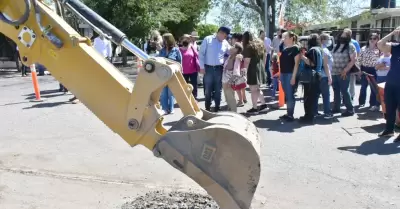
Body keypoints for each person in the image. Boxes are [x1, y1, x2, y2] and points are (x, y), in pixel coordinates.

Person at [199, 26, 231, 112]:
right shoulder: (208, 39)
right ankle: (207, 107)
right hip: (208, 68)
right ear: (220, 33)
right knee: (208, 89)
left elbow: (231, 52)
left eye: (226, 37)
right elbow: (201, 54)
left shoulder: (225, 43)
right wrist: (202, 67)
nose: (225, 38)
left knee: (218, 89)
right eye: (224, 36)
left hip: (219, 69)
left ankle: (217, 106)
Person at [377, 27, 400, 142]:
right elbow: (380, 44)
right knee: (389, 107)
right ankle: (389, 130)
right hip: (391, 83)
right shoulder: (395, 47)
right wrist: (392, 33)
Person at [298, 34, 324, 123]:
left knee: (308, 97)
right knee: (313, 97)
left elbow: (312, 63)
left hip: (310, 77)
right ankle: (311, 115)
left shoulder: (313, 50)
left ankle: (308, 116)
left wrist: (302, 56)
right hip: (317, 75)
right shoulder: (320, 49)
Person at [331, 29, 356, 117]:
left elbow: (353, 60)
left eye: (345, 35)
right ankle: (336, 108)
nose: (343, 36)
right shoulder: (335, 46)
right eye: (342, 34)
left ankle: (350, 109)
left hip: (343, 72)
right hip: (334, 72)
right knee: (336, 90)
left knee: (344, 91)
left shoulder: (350, 46)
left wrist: (345, 70)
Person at [242, 31, 267, 114]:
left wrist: (244, 73)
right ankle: (263, 105)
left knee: (253, 90)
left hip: (252, 70)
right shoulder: (259, 45)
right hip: (260, 68)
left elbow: (247, 61)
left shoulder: (248, 47)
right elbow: (265, 57)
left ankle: (254, 108)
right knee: (257, 89)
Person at [158, 33, 182, 115]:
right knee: (164, 92)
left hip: (172, 74)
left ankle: (171, 108)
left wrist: (180, 73)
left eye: (164, 39)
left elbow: (179, 62)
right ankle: (165, 108)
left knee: (171, 92)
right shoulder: (162, 50)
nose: (163, 41)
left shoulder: (176, 50)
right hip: (163, 74)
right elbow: (158, 60)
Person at [279, 31, 300, 121]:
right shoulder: (285, 49)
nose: (284, 39)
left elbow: (296, 64)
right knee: (287, 94)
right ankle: (288, 113)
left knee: (290, 95)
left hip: (290, 74)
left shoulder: (295, 49)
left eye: (286, 38)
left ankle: (290, 115)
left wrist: (293, 77)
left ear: (291, 38)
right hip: (283, 74)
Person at [358, 33, 380, 111]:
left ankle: (372, 104)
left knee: (373, 88)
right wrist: (359, 70)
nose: (372, 40)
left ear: (377, 40)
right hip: (364, 69)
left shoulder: (379, 49)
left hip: (374, 70)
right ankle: (361, 103)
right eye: (371, 38)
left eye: (374, 38)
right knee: (363, 87)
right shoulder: (363, 48)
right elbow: (359, 60)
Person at [222, 42, 243, 112]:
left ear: (236, 50)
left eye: (233, 46)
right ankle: (230, 110)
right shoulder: (230, 56)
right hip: (225, 79)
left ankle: (234, 113)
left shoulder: (237, 58)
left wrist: (230, 82)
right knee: (227, 97)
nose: (231, 47)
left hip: (229, 80)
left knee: (230, 97)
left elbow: (236, 73)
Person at [318, 33, 334, 119]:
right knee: (326, 95)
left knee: (317, 94)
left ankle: (315, 112)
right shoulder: (324, 50)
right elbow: (326, 65)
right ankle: (327, 113)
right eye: (328, 39)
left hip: (320, 75)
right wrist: (329, 77)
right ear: (323, 40)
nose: (329, 41)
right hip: (324, 76)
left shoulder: (320, 49)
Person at [179, 34, 200, 99]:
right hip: (183, 70)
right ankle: (185, 99)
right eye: (184, 39)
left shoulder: (192, 47)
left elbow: (198, 55)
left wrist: (192, 46)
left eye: (188, 39)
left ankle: (194, 98)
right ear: (181, 40)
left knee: (194, 85)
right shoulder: (178, 49)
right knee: (184, 86)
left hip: (193, 69)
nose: (186, 40)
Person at [231, 32, 247, 106]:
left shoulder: (237, 47)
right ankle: (244, 98)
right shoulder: (243, 46)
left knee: (238, 86)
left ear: (236, 39)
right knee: (242, 85)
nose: (231, 40)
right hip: (243, 69)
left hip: (238, 71)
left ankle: (241, 100)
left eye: (232, 38)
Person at [345, 28, 361, 101]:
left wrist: (354, 62)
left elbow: (358, 53)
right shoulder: (343, 42)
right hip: (345, 64)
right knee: (348, 81)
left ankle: (350, 96)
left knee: (350, 81)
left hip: (350, 64)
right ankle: (348, 96)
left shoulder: (354, 42)